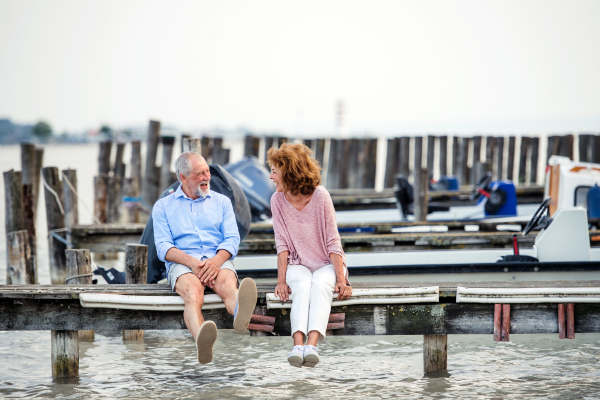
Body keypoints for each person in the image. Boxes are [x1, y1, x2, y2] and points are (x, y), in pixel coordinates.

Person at [153, 151, 257, 364]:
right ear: (183, 177)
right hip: (183, 264)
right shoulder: (163, 206)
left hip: (216, 259)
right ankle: (202, 340)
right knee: (193, 293)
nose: (207, 177)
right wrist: (193, 264)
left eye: (208, 171)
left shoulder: (223, 202)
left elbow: (231, 239)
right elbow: (163, 248)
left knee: (229, 284)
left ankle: (240, 316)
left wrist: (216, 261)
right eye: (200, 174)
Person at [268, 143, 352, 368]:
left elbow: (333, 241)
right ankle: (297, 346)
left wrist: (342, 280)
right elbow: (282, 243)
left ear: (289, 171)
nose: (271, 176)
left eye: (275, 171)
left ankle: (312, 346)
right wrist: (281, 281)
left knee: (321, 284)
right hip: (298, 262)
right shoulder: (277, 201)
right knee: (303, 285)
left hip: (328, 262)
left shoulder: (320, 195)